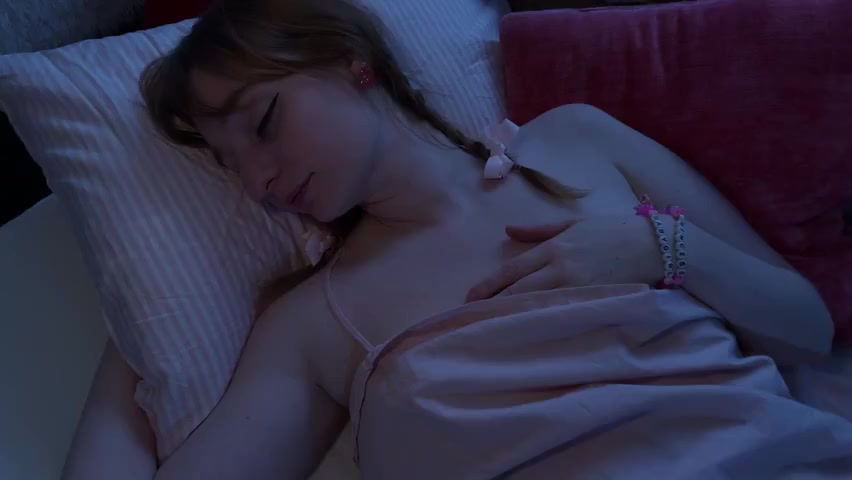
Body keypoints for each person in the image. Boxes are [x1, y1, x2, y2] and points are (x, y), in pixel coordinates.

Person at [62, 0, 851, 479]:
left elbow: (809, 329)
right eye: (232, 165)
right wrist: (134, 316)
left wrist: (662, 250)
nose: (258, 181)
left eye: (264, 122)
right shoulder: (311, 325)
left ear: (352, 63)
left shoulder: (577, 142)